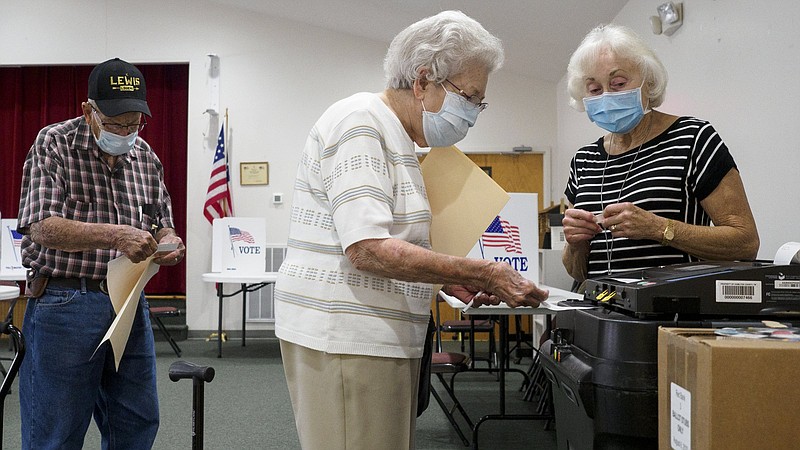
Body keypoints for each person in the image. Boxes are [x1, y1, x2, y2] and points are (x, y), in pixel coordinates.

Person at [274, 10, 548, 449]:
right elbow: (367, 249)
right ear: (423, 81)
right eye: (470, 96)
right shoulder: (362, 122)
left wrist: (447, 277)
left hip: (378, 334)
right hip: (348, 336)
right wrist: (481, 272)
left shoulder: (398, 137)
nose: (473, 113)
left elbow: (393, 241)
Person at [16, 58, 186, 449]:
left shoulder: (145, 157)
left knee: (137, 421)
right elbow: (41, 225)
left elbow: (160, 221)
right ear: (88, 111)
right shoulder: (54, 143)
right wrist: (115, 235)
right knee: (56, 430)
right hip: (65, 302)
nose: (125, 133)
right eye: (115, 124)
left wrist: (170, 241)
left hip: (128, 304)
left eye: (133, 124)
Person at [561, 24, 759, 282]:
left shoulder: (693, 138)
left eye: (618, 83)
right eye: (595, 90)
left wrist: (657, 228)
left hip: (670, 314)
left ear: (648, 81)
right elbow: (577, 272)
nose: (607, 97)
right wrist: (576, 244)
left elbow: (746, 244)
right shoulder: (584, 160)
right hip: (600, 312)